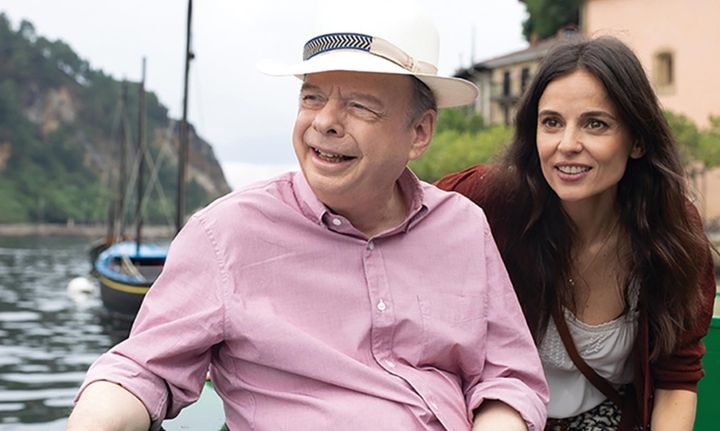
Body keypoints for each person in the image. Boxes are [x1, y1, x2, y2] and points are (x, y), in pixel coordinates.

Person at [66, 1, 548, 430]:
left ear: (419, 132)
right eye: (312, 96)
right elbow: (140, 371)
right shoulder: (225, 234)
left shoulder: (461, 225)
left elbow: (509, 377)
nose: (324, 122)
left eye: (359, 105)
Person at [436, 36, 716, 431]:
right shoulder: (487, 201)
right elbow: (399, 213)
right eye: (551, 122)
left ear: (637, 140)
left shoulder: (671, 231)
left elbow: (677, 377)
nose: (567, 145)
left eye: (595, 124)